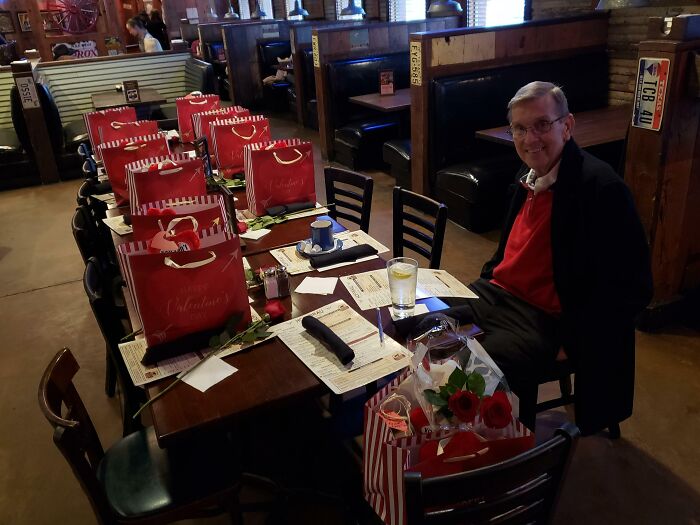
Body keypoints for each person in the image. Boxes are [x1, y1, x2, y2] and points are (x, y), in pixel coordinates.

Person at [464, 81, 653, 435]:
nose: (530, 138)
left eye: (542, 125)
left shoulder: (600, 190)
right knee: (427, 321)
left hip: (547, 318)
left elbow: (634, 287)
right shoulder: (527, 176)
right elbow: (507, 251)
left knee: (477, 371)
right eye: (520, 128)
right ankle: (447, 432)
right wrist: (487, 278)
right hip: (497, 292)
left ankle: (492, 452)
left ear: (567, 126)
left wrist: (576, 338)